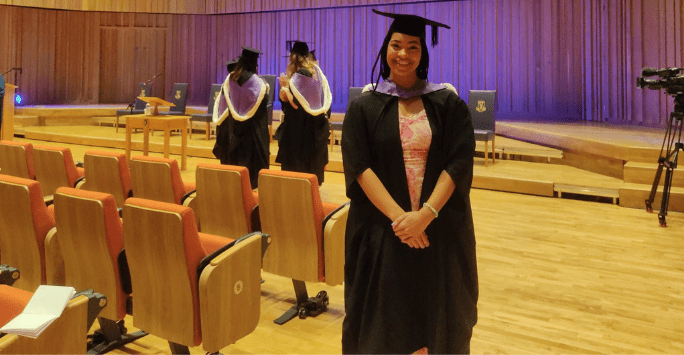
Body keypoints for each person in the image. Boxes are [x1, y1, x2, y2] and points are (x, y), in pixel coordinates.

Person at [341, 10, 478, 354]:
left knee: (435, 319)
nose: (403, 54)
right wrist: (402, 221)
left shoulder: (447, 104)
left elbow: (459, 161)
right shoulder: (364, 107)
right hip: (383, 232)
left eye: (413, 47)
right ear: (386, 48)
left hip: (437, 231)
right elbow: (359, 166)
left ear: (423, 54)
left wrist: (425, 215)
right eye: (396, 45)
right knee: (385, 322)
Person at [212, 46, 270, 188]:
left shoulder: (230, 79)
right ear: (254, 64)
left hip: (233, 132)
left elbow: (226, 101)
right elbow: (262, 106)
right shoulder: (258, 83)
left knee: (235, 173)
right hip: (251, 134)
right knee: (250, 176)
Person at [276, 41, 332, 184]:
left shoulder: (301, 75)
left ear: (294, 58)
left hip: (300, 135)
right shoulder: (315, 73)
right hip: (314, 131)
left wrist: (285, 92)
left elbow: (296, 107)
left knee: (298, 176)